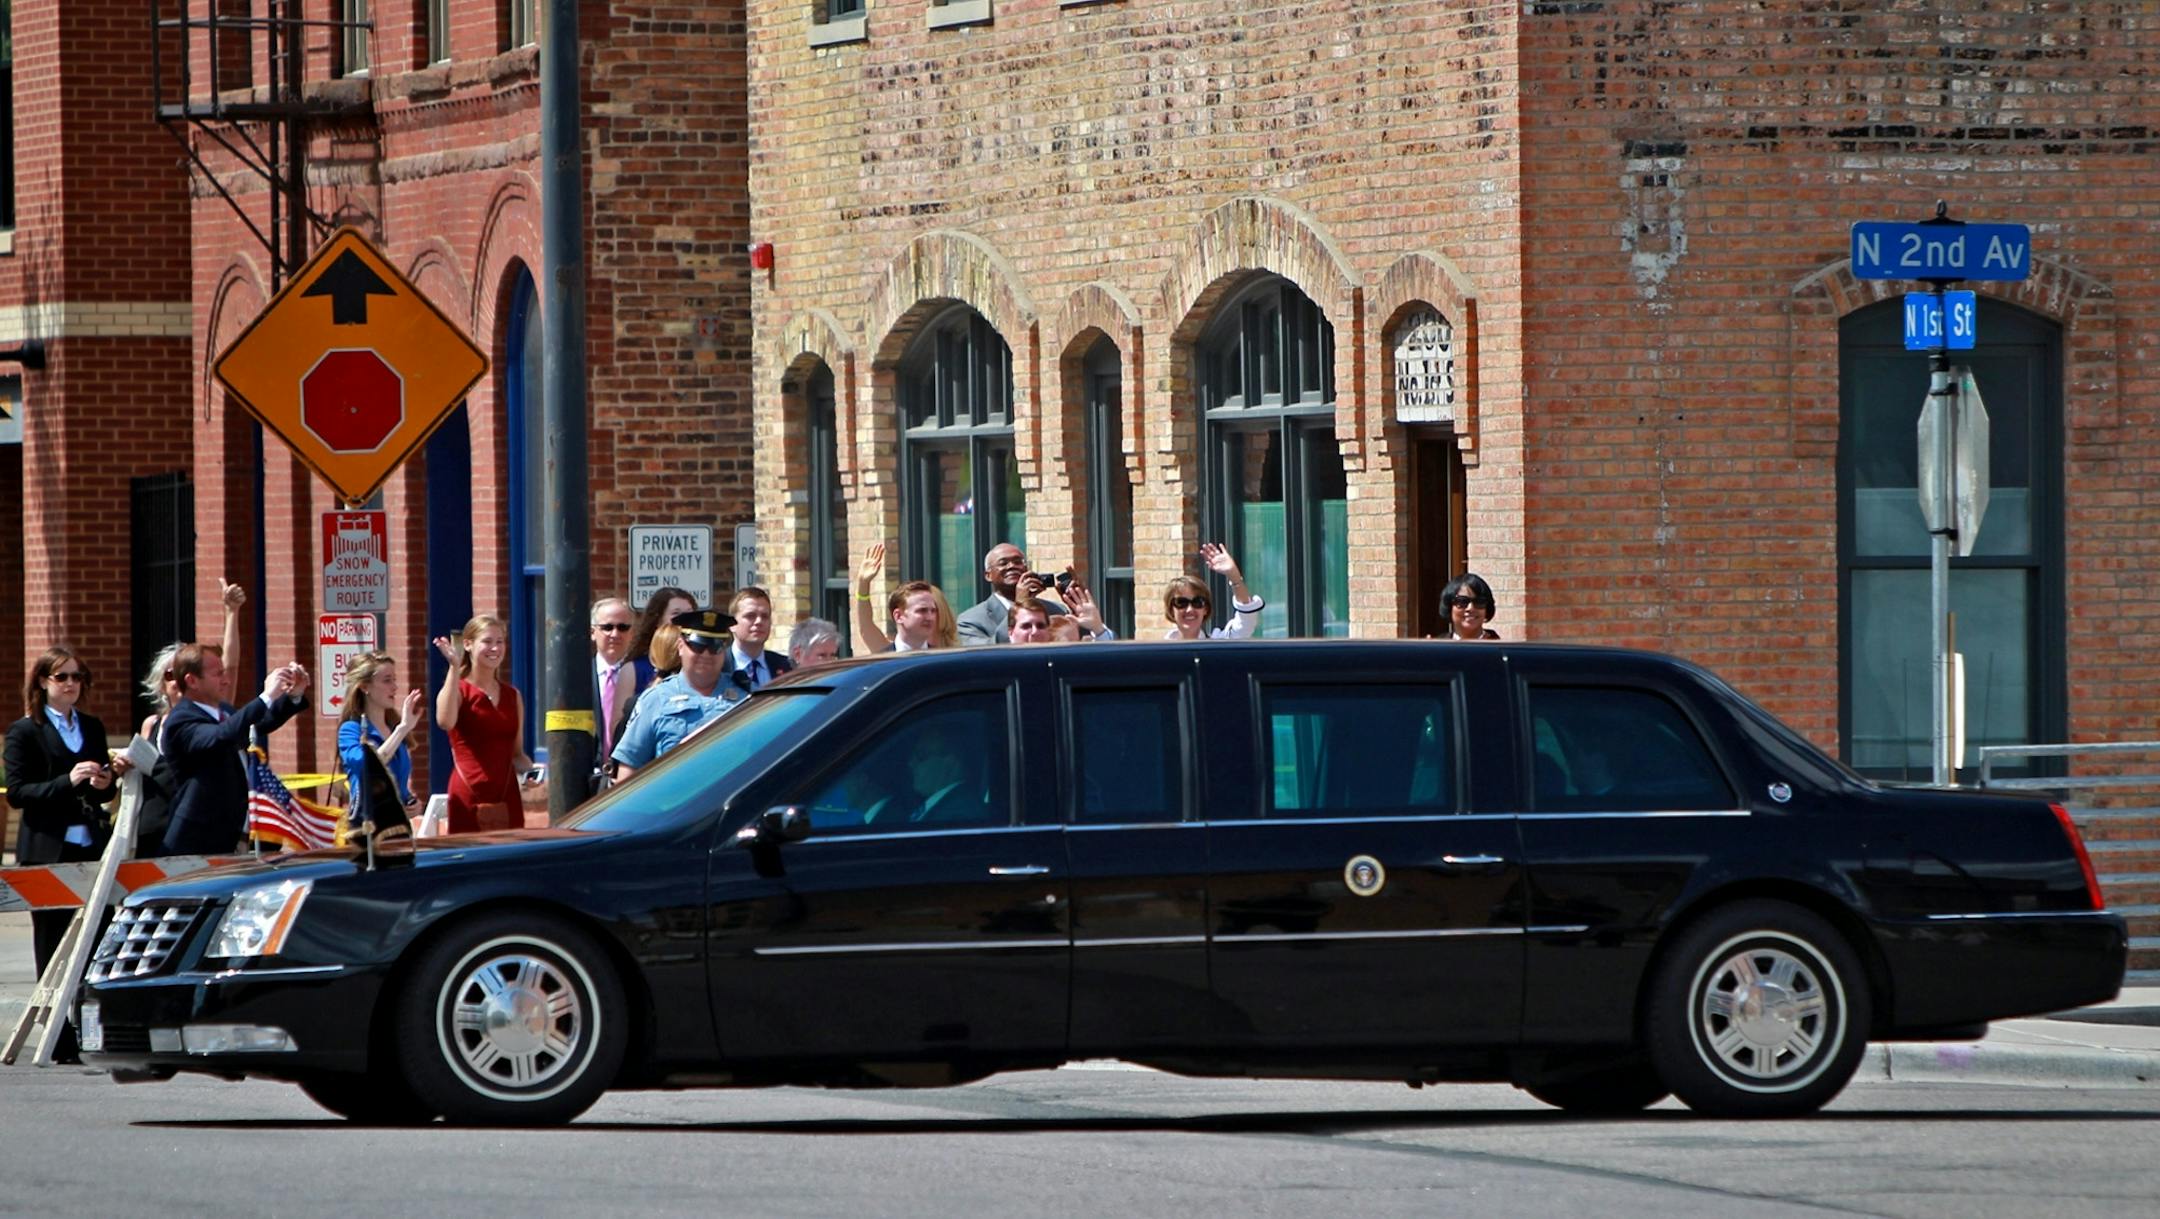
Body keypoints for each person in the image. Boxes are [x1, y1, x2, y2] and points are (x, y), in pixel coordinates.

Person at [6, 646, 128, 1057]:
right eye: (62, 678)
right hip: (47, 850)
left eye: (77, 677)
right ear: (43, 682)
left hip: (90, 845)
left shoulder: (90, 726)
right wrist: (67, 780)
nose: (71, 685)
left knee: (98, 939)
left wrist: (105, 783)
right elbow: (19, 794)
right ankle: (59, 1040)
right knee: (53, 944)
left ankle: (93, 1030)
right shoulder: (25, 731)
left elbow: (104, 788)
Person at [159, 645, 310, 855]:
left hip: (234, 832)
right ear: (192, 681)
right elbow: (221, 736)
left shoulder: (224, 712)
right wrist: (266, 696)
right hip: (197, 839)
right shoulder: (180, 720)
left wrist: (293, 695)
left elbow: (258, 724)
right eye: (217, 674)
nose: (225, 680)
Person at [136, 578, 247, 856]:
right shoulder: (153, 724)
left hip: (200, 825)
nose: (176, 681)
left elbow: (230, 666)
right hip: (159, 822)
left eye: (181, 673)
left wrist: (231, 614)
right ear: (161, 682)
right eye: (169, 675)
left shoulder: (214, 713)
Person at [610, 609, 745, 782]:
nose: (705, 654)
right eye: (697, 645)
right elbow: (629, 770)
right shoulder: (656, 699)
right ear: (681, 646)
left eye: (715, 647)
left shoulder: (746, 698)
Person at [432, 615, 533, 834]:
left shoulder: (512, 695)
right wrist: (453, 667)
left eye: (500, 642)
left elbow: (517, 754)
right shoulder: (459, 690)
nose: (495, 648)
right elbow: (445, 721)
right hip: (468, 791)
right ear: (468, 644)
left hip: (507, 795)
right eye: (487, 642)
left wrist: (532, 773)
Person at [337, 651, 425, 832]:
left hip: (398, 828)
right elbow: (367, 765)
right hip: (368, 828)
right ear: (364, 686)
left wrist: (411, 803)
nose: (395, 687)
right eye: (387, 680)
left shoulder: (393, 730)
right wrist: (402, 729)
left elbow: (397, 783)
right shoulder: (350, 730)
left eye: (394, 679)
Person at [958, 543, 1074, 645]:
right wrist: (1019, 604)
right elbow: (984, 654)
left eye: (1017, 562)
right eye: (1003, 563)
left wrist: (1077, 606)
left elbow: (1078, 642)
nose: (1012, 566)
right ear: (988, 575)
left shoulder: (1057, 610)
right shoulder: (970, 620)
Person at [1162, 543, 1265, 640]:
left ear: (1205, 609)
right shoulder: (1157, 653)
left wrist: (1234, 576)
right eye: (1181, 603)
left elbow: (1246, 621)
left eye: (1198, 602)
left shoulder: (1218, 645)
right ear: (1171, 610)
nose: (1189, 609)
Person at [590, 597, 639, 774]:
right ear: (593, 632)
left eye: (623, 627)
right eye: (607, 627)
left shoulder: (643, 676)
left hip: (630, 775)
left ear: (632, 633)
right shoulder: (578, 677)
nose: (615, 634)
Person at [625, 586, 697, 695]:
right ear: (658, 621)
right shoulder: (634, 670)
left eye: (689, 613)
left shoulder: (702, 663)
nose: (684, 619)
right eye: (676, 613)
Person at [723, 586, 793, 694]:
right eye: (750, 616)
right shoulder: (718, 667)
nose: (759, 621)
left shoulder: (788, 667)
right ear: (732, 624)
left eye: (765, 616)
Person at [1439, 572, 1501, 641]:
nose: (1470, 608)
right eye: (1462, 601)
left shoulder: (1500, 649)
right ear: (1450, 607)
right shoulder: (1436, 649)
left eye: (1479, 602)